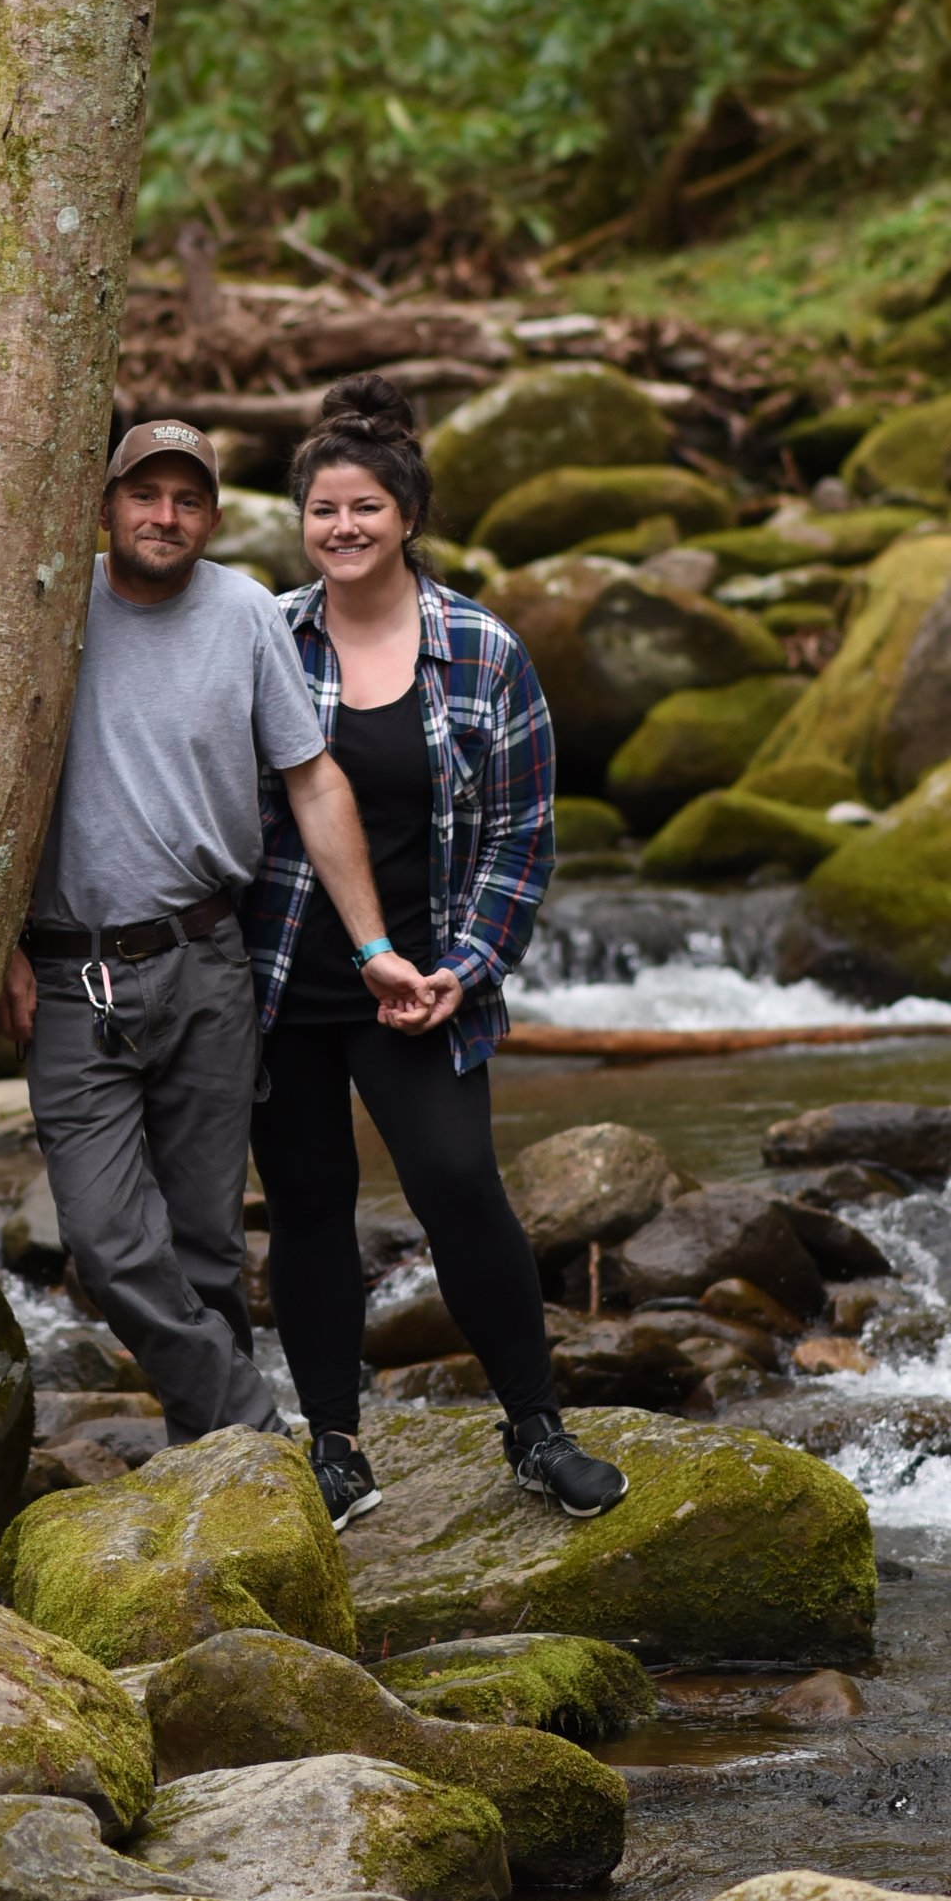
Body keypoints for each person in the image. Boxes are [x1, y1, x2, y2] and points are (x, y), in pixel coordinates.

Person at [0, 417, 437, 1448]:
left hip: (205, 963)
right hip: (72, 978)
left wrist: (373, 949)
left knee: (203, 1243)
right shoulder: (51, 608)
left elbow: (312, 777)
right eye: (143, 495)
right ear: (103, 506)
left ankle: (223, 1471)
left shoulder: (243, 612)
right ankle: (257, 1431)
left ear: (214, 514)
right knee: (107, 1245)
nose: (164, 515)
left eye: (186, 499)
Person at [243, 374, 627, 1527]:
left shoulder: (483, 649)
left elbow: (521, 834)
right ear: (302, 522)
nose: (342, 528)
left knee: (460, 1188)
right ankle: (333, 1443)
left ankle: (535, 1428)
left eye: (363, 507)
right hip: (279, 980)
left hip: (422, 983)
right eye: (322, 511)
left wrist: (467, 966)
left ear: (406, 515)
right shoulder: (265, 635)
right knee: (307, 1207)